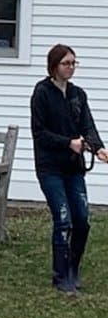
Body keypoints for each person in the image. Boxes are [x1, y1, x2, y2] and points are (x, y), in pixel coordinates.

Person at [30, 44, 108, 294]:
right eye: (66, 63)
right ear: (54, 66)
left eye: (74, 63)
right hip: (50, 168)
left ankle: (73, 268)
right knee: (63, 220)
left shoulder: (78, 95)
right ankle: (60, 275)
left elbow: (87, 126)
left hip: (74, 169)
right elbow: (40, 133)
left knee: (82, 220)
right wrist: (68, 143)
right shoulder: (42, 93)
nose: (71, 68)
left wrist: (98, 148)